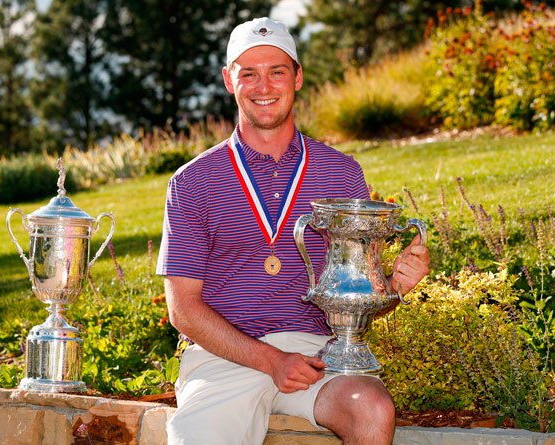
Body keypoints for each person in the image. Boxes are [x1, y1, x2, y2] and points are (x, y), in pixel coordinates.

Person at [156, 17, 431, 445]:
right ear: (230, 80)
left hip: (317, 355)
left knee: (371, 407)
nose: (263, 85)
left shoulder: (341, 174)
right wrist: (269, 360)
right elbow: (183, 309)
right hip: (225, 357)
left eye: (277, 71)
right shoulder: (193, 181)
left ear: (297, 77)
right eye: (249, 73)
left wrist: (395, 284)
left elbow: (359, 295)